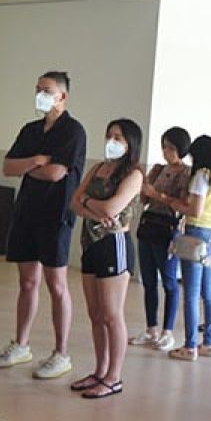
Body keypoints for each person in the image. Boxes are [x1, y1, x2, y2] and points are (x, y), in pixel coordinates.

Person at [0, 71, 86, 380]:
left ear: (62, 96)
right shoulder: (31, 130)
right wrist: (37, 160)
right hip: (26, 212)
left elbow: (57, 173)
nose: (40, 95)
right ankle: (21, 343)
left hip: (55, 215)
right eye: (37, 89)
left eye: (46, 90)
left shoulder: (73, 131)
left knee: (56, 284)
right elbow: (8, 167)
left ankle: (61, 352)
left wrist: (32, 165)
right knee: (27, 282)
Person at [68, 120, 144, 399]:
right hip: (90, 243)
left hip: (115, 244)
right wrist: (92, 206)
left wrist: (90, 203)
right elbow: (74, 201)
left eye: (118, 137)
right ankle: (99, 371)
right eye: (109, 135)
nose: (111, 141)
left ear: (130, 143)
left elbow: (113, 208)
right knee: (95, 314)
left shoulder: (134, 174)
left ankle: (114, 376)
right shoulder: (98, 168)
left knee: (112, 314)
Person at [167, 136, 211, 361]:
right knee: (209, 291)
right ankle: (209, 343)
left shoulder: (202, 176)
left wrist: (172, 202)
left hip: (197, 233)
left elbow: (194, 211)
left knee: (192, 293)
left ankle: (190, 346)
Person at [131, 127, 192, 352]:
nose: (167, 152)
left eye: (172, 148)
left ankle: (168, 331)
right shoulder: (158, 169)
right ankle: (151, 328)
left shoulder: (187, 173)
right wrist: (146, 185)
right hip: (149, 225)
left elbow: (183, 204)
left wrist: (159, 195)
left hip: (168, 227)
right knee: (148, 281)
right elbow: (144, 200)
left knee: (169, 282)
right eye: (164, 146)